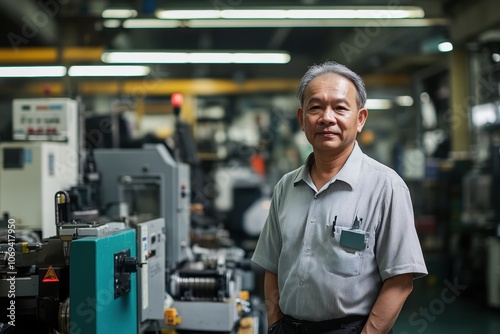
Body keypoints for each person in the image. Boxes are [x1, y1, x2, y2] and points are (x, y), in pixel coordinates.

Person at [251, 61, 428, 334]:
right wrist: (275, 323)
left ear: (360, 119)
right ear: (301, 119)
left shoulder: (386, 187)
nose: (327, 118)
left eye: (340, 107)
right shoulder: (285, 188)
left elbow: (401, 279)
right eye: (316, 107)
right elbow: (272, 265)